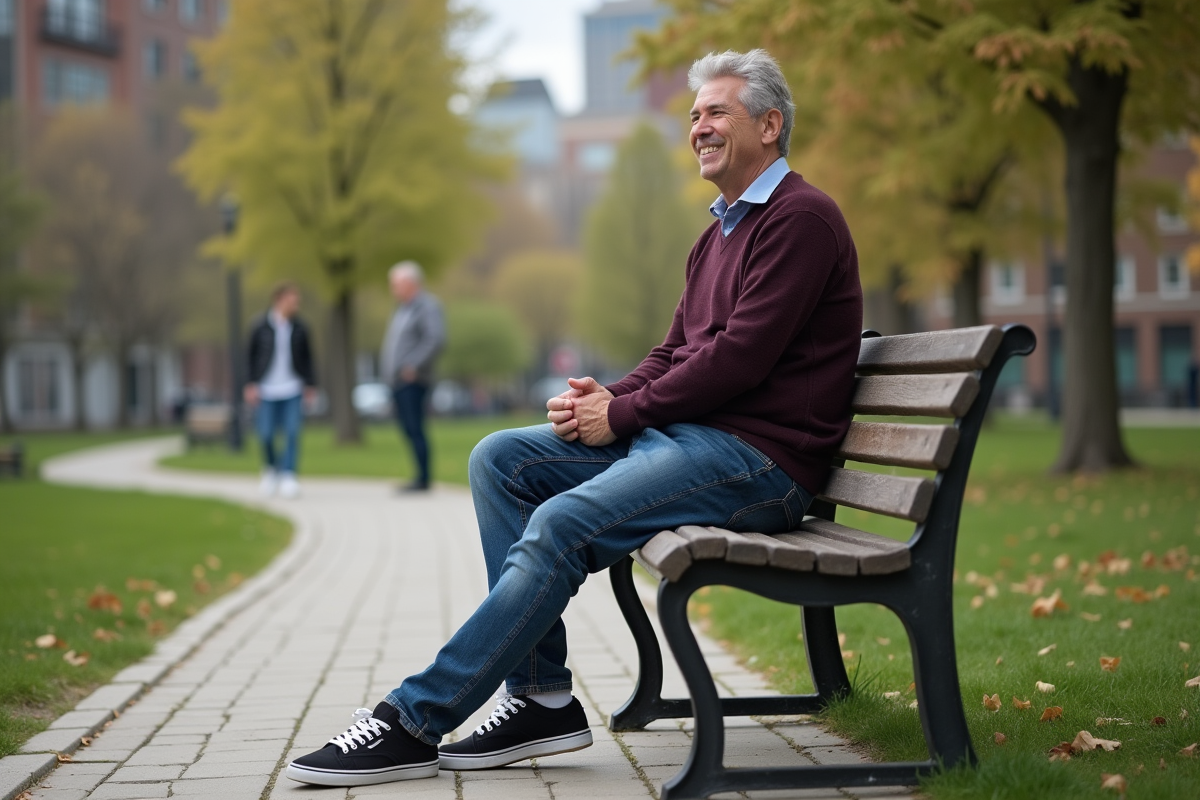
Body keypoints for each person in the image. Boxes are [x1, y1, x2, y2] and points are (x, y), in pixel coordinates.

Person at [285, 49, 863, 786]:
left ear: (771, 124)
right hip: (698, 442)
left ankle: (411, 718)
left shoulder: (800, 220)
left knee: (562, 522)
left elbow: (739, 362)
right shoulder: (716, 232)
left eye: (717, 111)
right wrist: (607, 398)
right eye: (693, 115)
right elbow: (676, 351)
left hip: (763, 464)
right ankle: (541, 698)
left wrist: (623, 415)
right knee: (501, 459)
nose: (699, 127)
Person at [245, 282, 317, 499]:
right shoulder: (259, 326)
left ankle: (288, 475)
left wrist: (311, 385)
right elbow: (249, 357)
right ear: (278, 299)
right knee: (266, 434)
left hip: (292, 388)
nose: (295, 304)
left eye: (297, 301)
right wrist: (250, 384)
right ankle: (270, 469)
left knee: (292, 433)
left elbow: (309, 359)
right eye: (291, 300)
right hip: (266, 388)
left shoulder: (301, 327)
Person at [380, 261, 446, 492]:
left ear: (411, 283)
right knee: (408, 428)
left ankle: (423, 479)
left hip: (413, 380)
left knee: (415, 427)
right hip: (398, 381)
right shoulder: (403, 308)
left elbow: (435, 339)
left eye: (396, 284)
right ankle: (420, 476)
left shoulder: (426, 306)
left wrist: (412, 366)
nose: (393, 289)